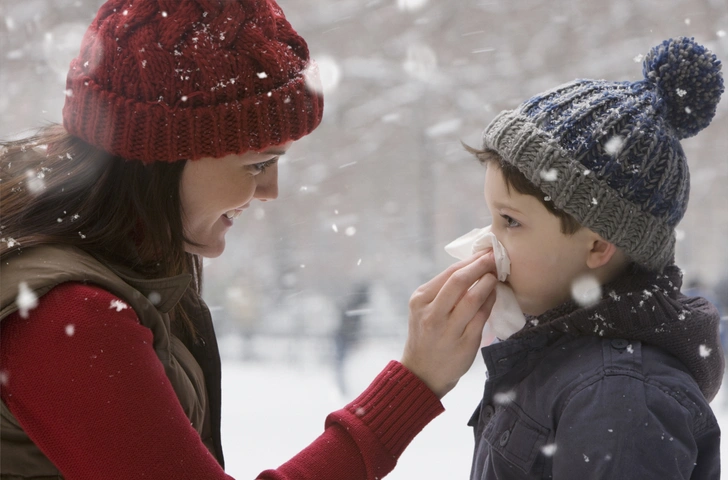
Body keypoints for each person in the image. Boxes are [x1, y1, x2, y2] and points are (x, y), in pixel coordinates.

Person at [0, 1, 500, 478]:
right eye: (257, 164)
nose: (269, 191)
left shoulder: (114, 267)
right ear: (162, 157)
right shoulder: (68, 317)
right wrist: (412, 386)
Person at [458, 37, 724, 478]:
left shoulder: (620, 398)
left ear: (599, 245)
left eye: (510, 221)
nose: (489, 242)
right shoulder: (560, 358)